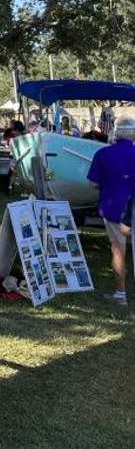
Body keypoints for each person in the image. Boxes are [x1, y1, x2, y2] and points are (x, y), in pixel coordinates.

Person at [87, 116, 135, 307]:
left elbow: (93, 184)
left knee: (118, 250)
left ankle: (120, 294)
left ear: (115, 132)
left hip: (114, 207)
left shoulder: (102, 154)